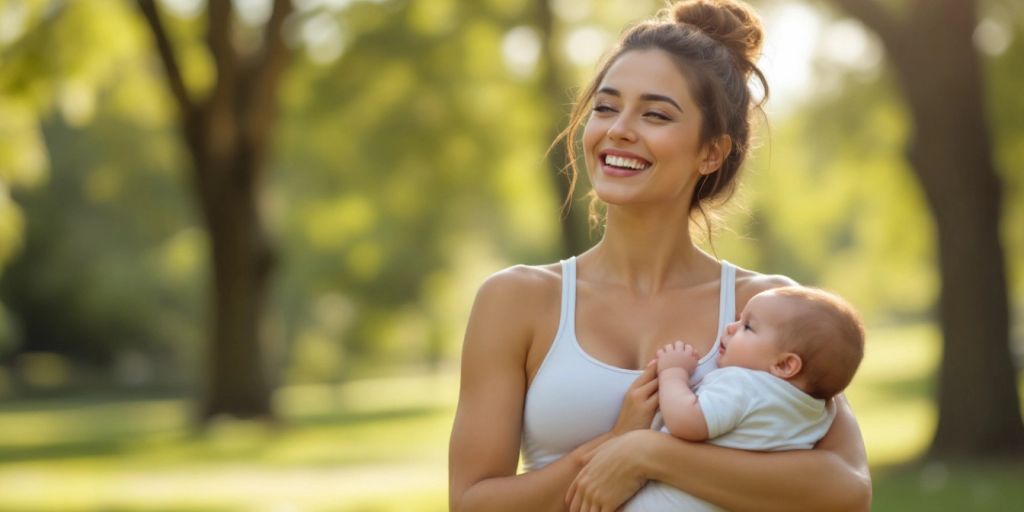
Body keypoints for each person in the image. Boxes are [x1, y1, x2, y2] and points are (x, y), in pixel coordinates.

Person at [448, 0, 871, 510]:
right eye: (605, 107)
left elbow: (847, 490)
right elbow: (472, 502)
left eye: (655, 114)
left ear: (711, 152)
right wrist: (609, 449)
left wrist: (651, 453)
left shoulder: (763, 307)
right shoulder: (516, 300)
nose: (619, 129)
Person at [625, 286, 866, 511]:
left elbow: (685, 421)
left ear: (785, 364)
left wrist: (673, 372)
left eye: (747, 326)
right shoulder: (819, 413)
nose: (730, 327)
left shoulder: (744, 385)